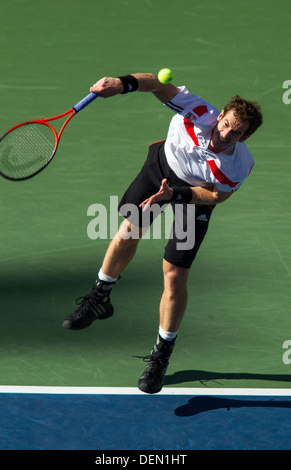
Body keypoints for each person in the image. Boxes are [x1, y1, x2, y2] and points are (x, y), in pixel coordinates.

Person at [62, 73, 263, 394]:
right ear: (220, 115)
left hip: (192, 194)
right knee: (130, 228)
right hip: (161, 168)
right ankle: (100, 299)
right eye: (225, 124)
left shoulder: (238, 164)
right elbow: (156, 84)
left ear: (245, 137)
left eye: (236, 133)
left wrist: (176, 195)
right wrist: (122, 83)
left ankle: (161, 354)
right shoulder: (198, 112)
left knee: (174, 274)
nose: (225, 134)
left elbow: (215, 197)